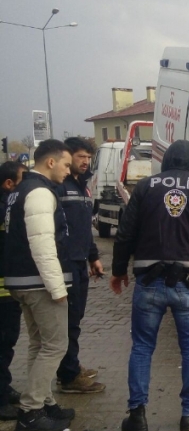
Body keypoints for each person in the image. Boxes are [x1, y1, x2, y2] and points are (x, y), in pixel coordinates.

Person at [110, 140, 189, 431]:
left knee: (141, 348)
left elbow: (125, 235)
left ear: (166, 160)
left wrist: (117, 271)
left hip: (148, 283)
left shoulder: (145, 188)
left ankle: (137, 416)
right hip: (188, 285)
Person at [4, 140, 76, 431]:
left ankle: (44, 403)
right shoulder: (39, 192)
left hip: (21, 280)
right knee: (55, 345)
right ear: (50, 162)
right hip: (39, 283)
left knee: (39, 344)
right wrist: (57, 287)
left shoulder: (19, 191)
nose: (68, 171)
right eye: (66, 164)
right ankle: (31, 412)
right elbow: (43, 243)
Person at [55, 137, 105, 394]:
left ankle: (70, 365)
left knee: (76, 318)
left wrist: (93, 256)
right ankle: (68, 376)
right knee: (68, 321)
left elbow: (85, 229)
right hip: (65, 265)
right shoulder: (60, 188)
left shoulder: (84, 187)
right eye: (80, 157)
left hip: (80, 263)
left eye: (88, 157)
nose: (85, 162)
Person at [0, 161, 26, 420]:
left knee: (7, 343)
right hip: (2, 291)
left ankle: (4, 388)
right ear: (9, 184)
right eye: (22, 179)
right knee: (3, 341)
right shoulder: (4, 210)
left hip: (7, 289)